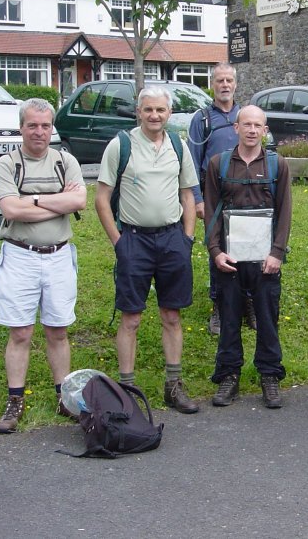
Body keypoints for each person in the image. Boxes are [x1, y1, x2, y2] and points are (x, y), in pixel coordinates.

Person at [95, 85, 201, 414]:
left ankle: (173, 385)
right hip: (134, 240)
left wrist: (187, 239)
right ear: (138, 112)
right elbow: (101, 198)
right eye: (148, 110)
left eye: (161, 110)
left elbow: (187, 195)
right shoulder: (121, 146)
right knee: (131, 318)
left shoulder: (178, 146)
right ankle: (126, 390)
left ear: (169, 114)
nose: (155, 115)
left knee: (171, 315)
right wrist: (119, 242)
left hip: (172, 240)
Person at [0, 98, 87, 434]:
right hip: (19, 256)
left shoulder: (66, 161)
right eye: (32, 125)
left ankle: (65, 397)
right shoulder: (7, 165)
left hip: (59, 256)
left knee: (58, 330)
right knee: (20, 332)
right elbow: (11, 211)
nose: (39, 132)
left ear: (52, 128)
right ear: (21, 127)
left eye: (45, 126)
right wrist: (54, 203)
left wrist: (30, 200)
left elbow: (78, 201)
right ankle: (15, 399)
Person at [203, 105, 292, 408]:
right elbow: (212, 213)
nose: (252, 130)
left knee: (267, 318)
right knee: (229, 317)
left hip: (266, 259)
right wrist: (215, 252)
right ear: (236, 128)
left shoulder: (277, 165)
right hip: (229, 258)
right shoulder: (219, 164)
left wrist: (277, 252)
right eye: (247, 124)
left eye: (258, 125)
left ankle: (269, 375)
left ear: (265, 131)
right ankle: (228, 376)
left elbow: (285, 212)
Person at [187, 62, 254, 335]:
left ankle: (248, 303)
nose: (224, 85)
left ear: (235, 84)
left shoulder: (246, 115)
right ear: (212, 85)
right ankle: (219, 307)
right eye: (219, 81)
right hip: (215, 194)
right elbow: (190, 162)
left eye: (229, 80)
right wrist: (197, 199)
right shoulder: (201, 119)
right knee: (218, 249)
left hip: (248, 194)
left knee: (250, 248)